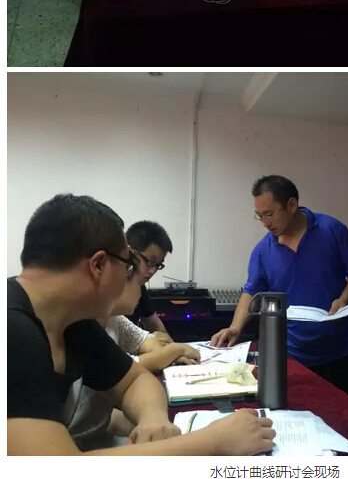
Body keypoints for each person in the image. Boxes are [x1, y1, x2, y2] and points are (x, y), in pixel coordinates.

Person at [8, 193, 275, 456]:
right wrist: (213, 441)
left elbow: (135, 380)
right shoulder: (13, 331)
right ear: (98, 265)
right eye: (127, 267)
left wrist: (153, 420)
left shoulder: (73, 322)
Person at [211, 176, 348, 429]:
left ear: (292, 205)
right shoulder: (263, 250)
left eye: (270, 214)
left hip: (345, 342)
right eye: (260, 216)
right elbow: (251, 291)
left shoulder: (331, 229)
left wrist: (343, 299)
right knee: (307, 416)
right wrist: (236, 327)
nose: (265, 223)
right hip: (296, 348)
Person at [69, 263, 201, 451]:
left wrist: (153, 418)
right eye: (139, 283)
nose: (141, 293)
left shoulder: (108, 321)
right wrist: (174, 350)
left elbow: (135, 373)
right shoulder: (70, 328)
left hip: (95, 435)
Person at [126, 221, 175, 340]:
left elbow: (155, 326)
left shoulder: (139, 286)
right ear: (130, 253)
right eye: (150, 262)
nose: (152, 271)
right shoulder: (108, 288)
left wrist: (171, 345)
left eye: (158, 265)